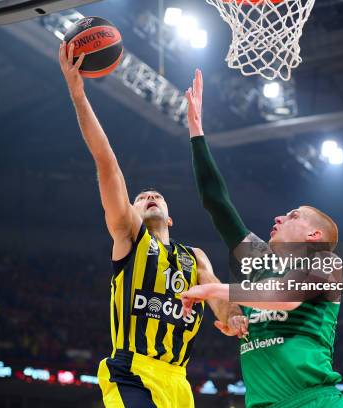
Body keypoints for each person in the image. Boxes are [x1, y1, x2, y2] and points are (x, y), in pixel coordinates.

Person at [58, 44, 245, 408]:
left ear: (170, 218)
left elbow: (218, 297)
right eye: (141, 197)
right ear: (128, 211)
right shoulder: (129, 235)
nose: (150, 197)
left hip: (178, 381)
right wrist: (78, 94)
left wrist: (234, 317)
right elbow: (106, 161)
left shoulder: (195, 257)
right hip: (131, 373)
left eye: (156, 196)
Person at [180, 69, 343, 408]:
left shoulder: (325, 262)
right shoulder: (260, 262)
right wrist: (197, 135)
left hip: (314, 401)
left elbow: (286, 298)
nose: (278, 217)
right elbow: (218, 204)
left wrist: (216, 289)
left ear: (313, 235)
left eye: (292, 215)